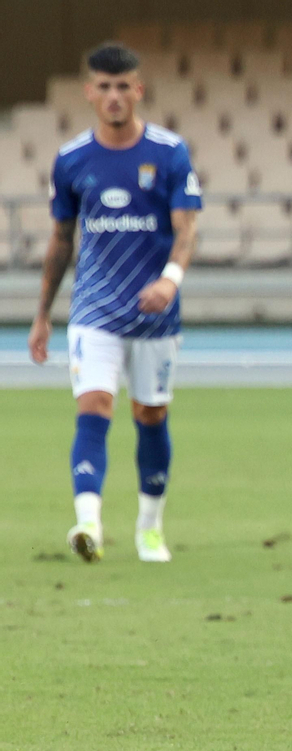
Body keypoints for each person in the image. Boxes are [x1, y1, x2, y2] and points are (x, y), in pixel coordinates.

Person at [28, 42, 201, 563]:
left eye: (123, 86)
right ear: (89, 93)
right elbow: (61, 240)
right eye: (103, 87)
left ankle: (150, 527)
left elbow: (186, 228)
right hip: (94, 310)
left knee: (150, 414)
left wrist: (170, 279)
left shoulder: (169, 152)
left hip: (155, 314)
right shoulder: (72, 159)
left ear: (138, 90)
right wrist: (42, 314)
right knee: (94, 405)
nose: (114, 96)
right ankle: (89, 523)